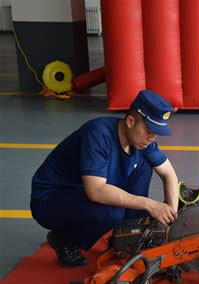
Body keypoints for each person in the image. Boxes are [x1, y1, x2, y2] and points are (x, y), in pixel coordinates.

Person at [30, 90, 179, 268]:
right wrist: (149, 204)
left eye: (156, 134)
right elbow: (95, 191)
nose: (151, 138)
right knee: (111, 213)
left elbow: (168, 174)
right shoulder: (98, 135)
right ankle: (64, 238)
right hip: (51, 198)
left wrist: (173, 221)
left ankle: (128, 237)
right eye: (149, 131)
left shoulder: (142, 140)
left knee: (145, 164)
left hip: (83, 192)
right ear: (130, 121)